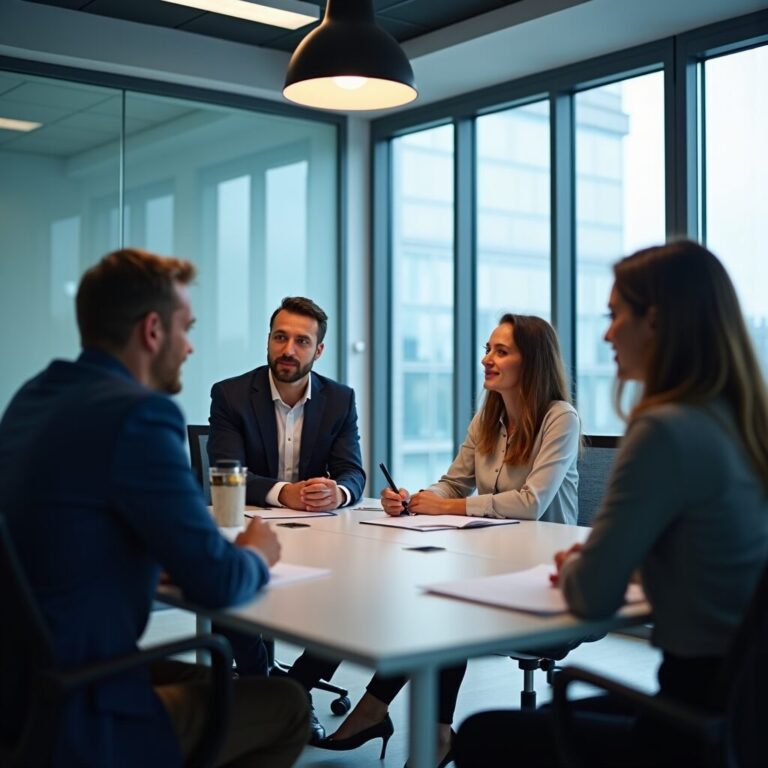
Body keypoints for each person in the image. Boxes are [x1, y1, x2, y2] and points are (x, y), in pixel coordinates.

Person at [453, 240, 768, 767]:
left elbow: (591, 597)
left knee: (482, 736)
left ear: (658, 322)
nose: (607, 333)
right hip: (741, 714)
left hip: (690, 721)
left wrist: (581, 563)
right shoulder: (741, 423)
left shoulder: (664, 430)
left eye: (615, 314)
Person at [0, 248, 309, 768]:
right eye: (185, 328)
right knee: (287, 705)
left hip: (19, 684)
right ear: (151, 331)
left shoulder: (34, 395)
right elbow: (217, 579)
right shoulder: (141, 415)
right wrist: (256, 552)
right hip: (79, 707)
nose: (189, 346)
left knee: (217, 680)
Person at [318, 314, 580, 766]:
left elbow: (530, 502)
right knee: (439, 603)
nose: (486, 360)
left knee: (446, 608)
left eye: (501, 351)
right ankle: (426, 730)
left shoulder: (560, 418)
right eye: (488, 348)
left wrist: (448, 507)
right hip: (491, 562)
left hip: (547, 578)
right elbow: (454, 483)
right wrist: (415, 498)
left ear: (532, 362)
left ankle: (380, 713)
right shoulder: (488, 417)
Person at [207, 295, 366, 742]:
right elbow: (227, 472)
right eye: (280, 337)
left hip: (320, 533)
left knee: (352, 598)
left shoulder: (339, 399)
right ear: (268, 341)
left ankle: (290, 691)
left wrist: (340, 490)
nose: (288, 350)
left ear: (318, 351)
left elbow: (354, 471)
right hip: (251, 529)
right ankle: (268, 690)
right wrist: (284, 493)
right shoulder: (232, 395)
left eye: (301, 341)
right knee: (230, 590)